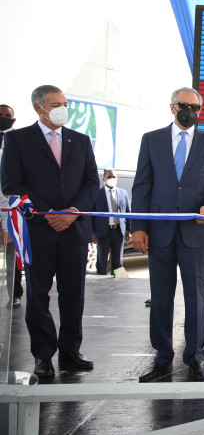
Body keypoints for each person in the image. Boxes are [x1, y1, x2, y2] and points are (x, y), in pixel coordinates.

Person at [1, 85, 100, 378]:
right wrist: (48, 214)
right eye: (56, 104)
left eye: (65, 104)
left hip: (74, 230)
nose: (63, 109)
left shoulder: (80, 140)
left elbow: (91, 182)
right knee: (38, 296)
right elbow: (12, 184)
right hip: (37, 231)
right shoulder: (17, 140)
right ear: (38, 108)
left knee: (73, 295)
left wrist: (72, 212)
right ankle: (43, 355)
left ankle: (70, 351)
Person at [132, 86, 204, 382]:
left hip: (196, 231)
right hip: (159, 231)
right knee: (161, 297)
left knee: (196, 298)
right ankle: (162, 358)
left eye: (195, 107)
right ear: (173, 107)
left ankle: (195, 357)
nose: (190, 112)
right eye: (185, 105)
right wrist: (138, 227)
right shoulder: (151, 140)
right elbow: (142, 185)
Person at [0, 104, 24, 307]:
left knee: (12, 256)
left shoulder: (20, 141)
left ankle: (14, 293)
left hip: (11, 208)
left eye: (7, 115)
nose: (4, 118)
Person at [91, 169, 131, 276]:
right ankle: (101, 278)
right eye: (109, 177)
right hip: (103, 231)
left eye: (114, 177)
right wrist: (93, 232)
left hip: (118, 230)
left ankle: (115, 277)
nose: (112, 179)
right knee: (102, 259)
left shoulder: (123, 193)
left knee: (117, 260)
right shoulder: (97, 194)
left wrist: (129, 230)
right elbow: (92, 214)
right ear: (104, 179)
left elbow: (128, 212)